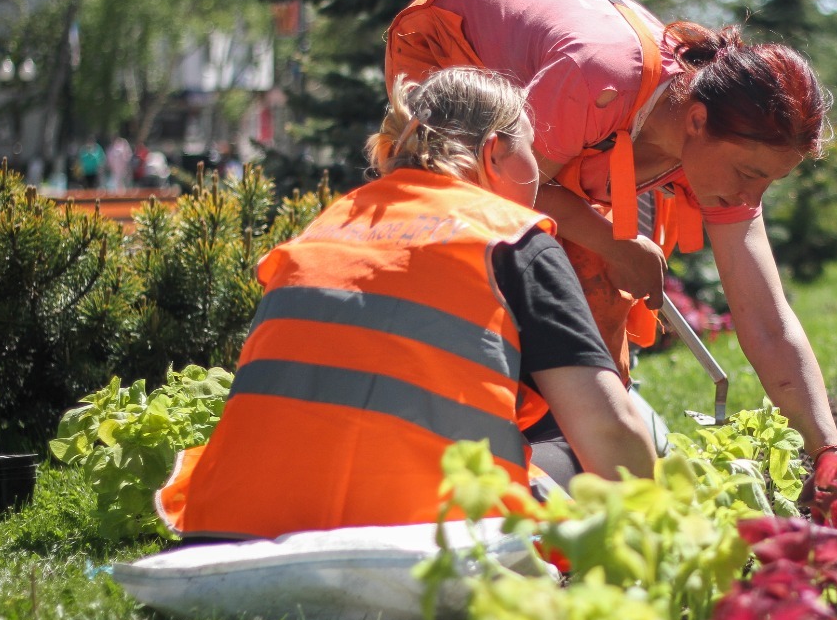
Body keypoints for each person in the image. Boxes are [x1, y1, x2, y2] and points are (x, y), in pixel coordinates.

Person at [386, 0, 837, 465]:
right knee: (516, 266)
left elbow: (766, 319)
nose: (750, 199)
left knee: (598, 286)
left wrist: (825, 447)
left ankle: (582, 452)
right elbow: (510, 190)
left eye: (767, 183)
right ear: (696, 122)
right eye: (748, 175)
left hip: (555, 125)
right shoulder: (598, 78)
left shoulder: (718, 147)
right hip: (453, 52)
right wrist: (614, 242)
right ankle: (474, 446)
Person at [156, 67, 656, 542]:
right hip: (426, 532)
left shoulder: (325, 227)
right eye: (532, 149)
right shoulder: (509, 236)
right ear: (495, 152)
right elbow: (609, 437)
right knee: (607, 433)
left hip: (235, 524)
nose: (539, 171)